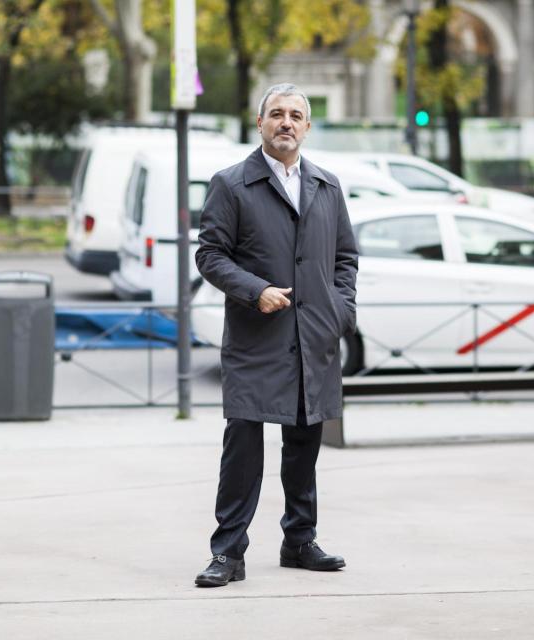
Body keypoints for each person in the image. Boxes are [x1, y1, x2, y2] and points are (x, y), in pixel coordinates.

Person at [194, 83, 359, 587]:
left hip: (313, 338)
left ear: (307, 127)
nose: (285, 122)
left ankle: (299, 541)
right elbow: (210, 255)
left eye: (295, 115)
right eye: (276, 114)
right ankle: (228, 552)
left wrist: (339, 311)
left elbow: (345, 258)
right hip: (255, 339)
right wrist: (255, 289)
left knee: (304, 443)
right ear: (260, 124)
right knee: (243, 444)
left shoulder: (326, 185)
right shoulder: (231, 184)